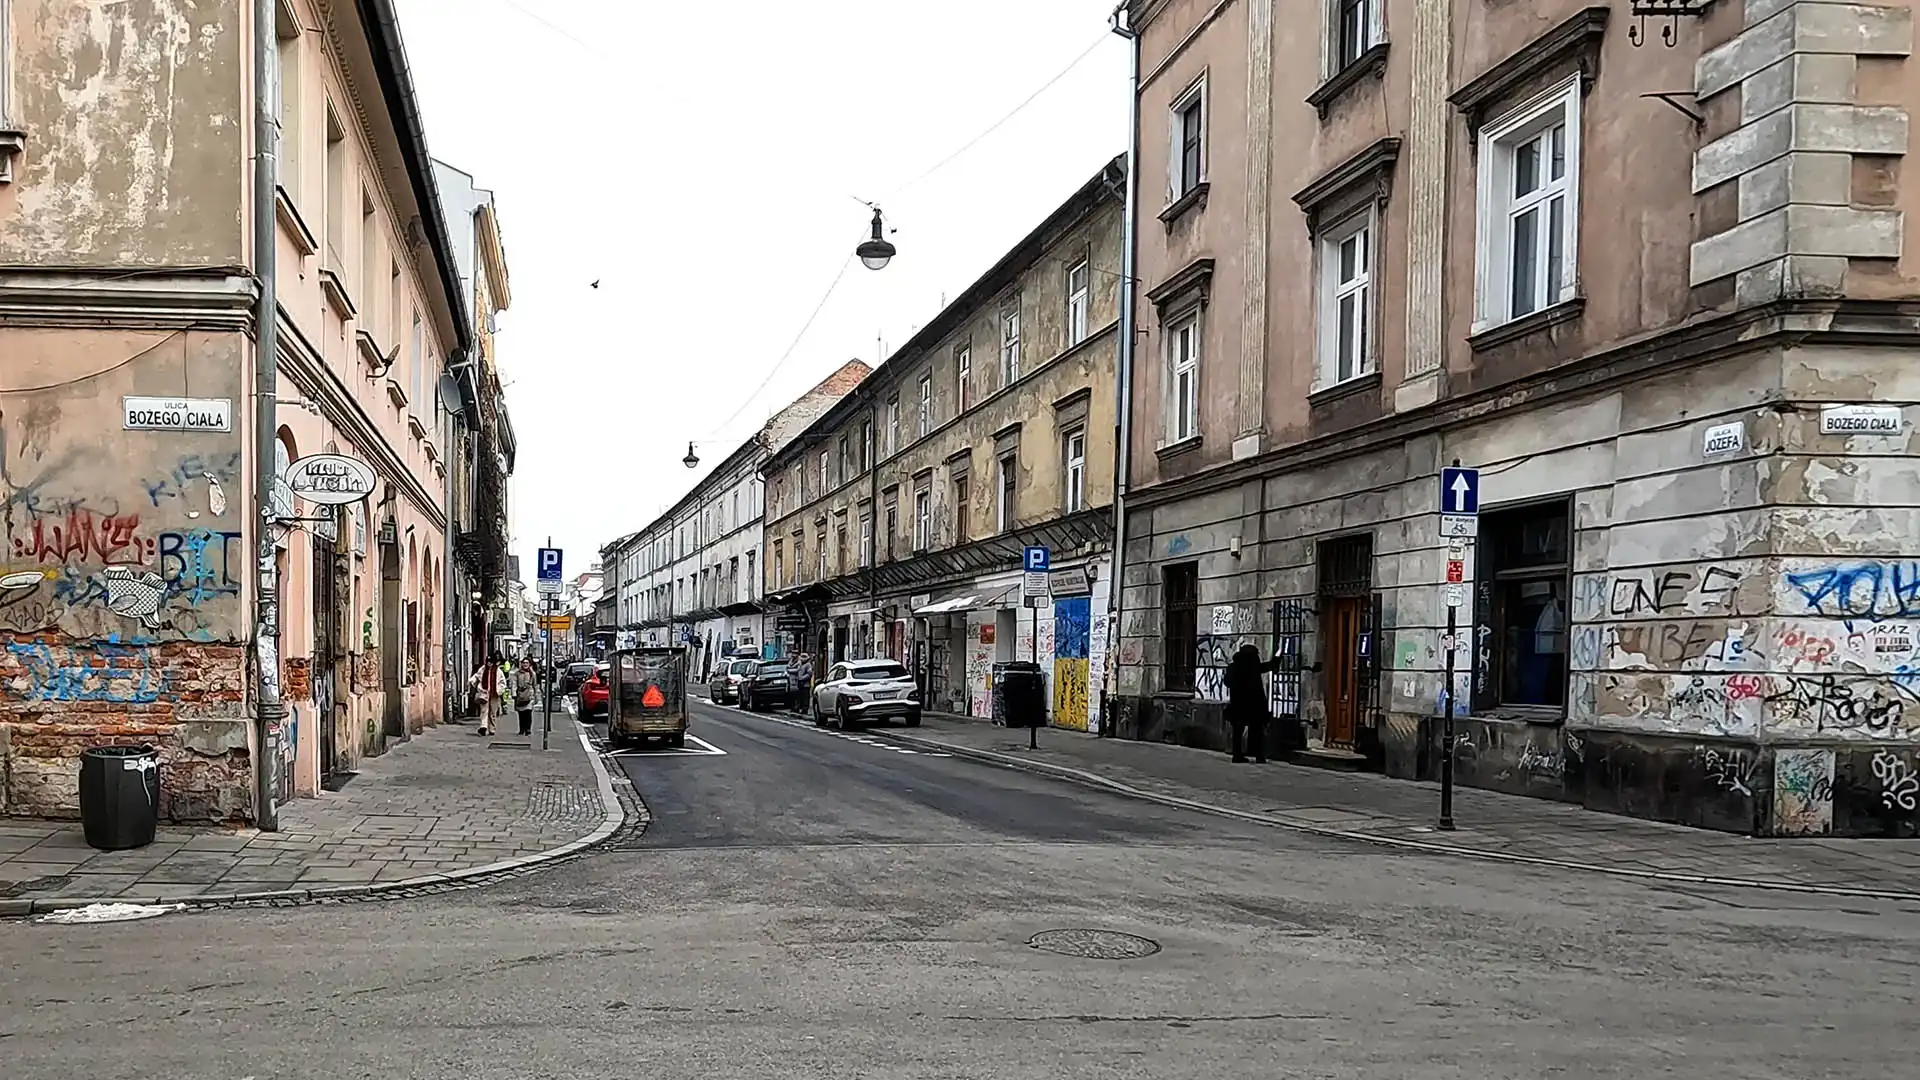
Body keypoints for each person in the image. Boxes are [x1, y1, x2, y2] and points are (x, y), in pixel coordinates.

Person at [1225, 643, 1281, 764]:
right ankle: (1259, 756)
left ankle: (1237, 754)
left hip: (1238, 704)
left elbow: (1227, 682)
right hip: (1255, 704)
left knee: (1238, 732)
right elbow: (1270, 665)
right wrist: (1278, 656)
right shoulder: (1254, 667)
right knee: (1257, 731)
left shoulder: (1233, 667)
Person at [514, 659, 537, 736]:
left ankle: (528, 729)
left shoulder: (532, 674)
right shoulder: (517, 673)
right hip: (520, 695)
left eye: (527, 663)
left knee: (528, 712)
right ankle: (522, 729)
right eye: (523, 663)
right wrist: (514, 693)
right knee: (521, 713)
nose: (525, 664)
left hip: (529, 694)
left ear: (529, 664)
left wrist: (536, 695)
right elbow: (514, 684)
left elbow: (535, 685)